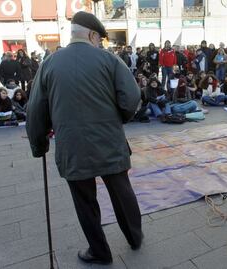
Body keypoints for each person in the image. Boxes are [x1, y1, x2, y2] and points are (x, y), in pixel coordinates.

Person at [26, 12, 143, 265]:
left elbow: (35, 110)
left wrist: (39, 143)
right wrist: (117, 120)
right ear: (91, 35)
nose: (100, 43)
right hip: (109, 142)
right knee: (122, 192)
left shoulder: (49, 63)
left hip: (72, 146)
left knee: (84, 201)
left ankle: (100, 251)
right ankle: (135, 237)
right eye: (99, 39)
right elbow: (132, 99)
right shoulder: (109, 60)